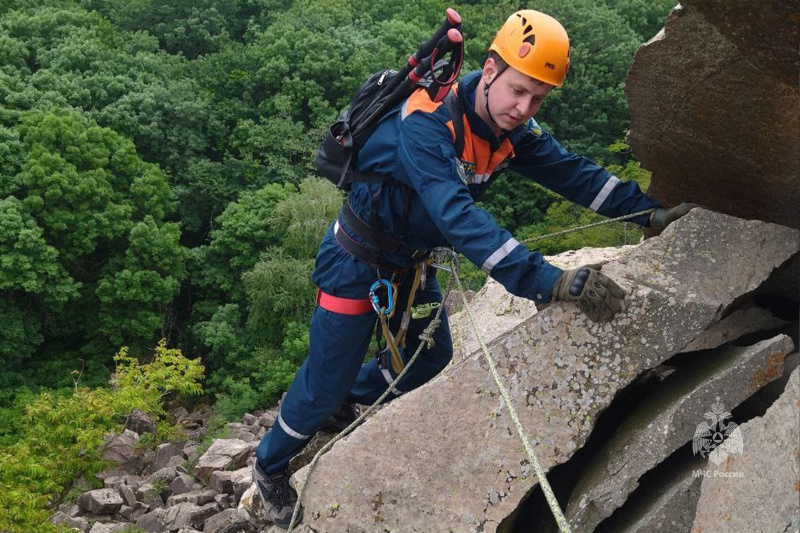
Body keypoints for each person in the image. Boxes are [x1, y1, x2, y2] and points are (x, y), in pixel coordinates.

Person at [251, 9, 695, 528]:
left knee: (429, 358)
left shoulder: (511, 129)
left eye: (537, 98)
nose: (524, 108)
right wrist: (546, 281)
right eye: (518, 91)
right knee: (323, 380)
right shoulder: (425, 123)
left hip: (411, 266)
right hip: (357, 260)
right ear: (490, 71)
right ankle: (270, 464)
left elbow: (572, 173)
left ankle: (346, 396)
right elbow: (458, 218)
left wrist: (646, 211)